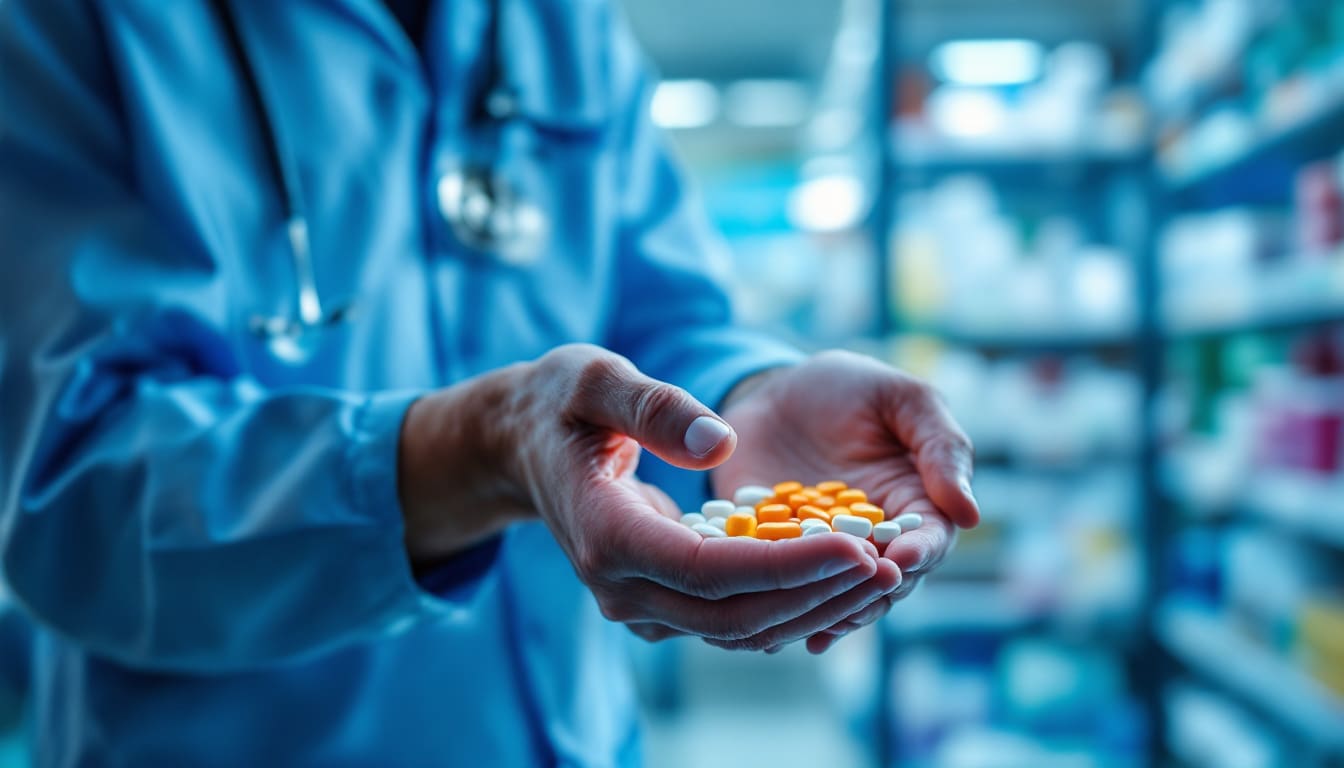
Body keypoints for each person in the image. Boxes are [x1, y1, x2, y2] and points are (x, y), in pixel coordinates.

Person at [0, 0, 978, 764]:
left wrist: (751, 395)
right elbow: (71, 487)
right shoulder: (70, 25)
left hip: (570, 736)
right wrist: (476, 454)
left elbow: (661, 309)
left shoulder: (555, 21)